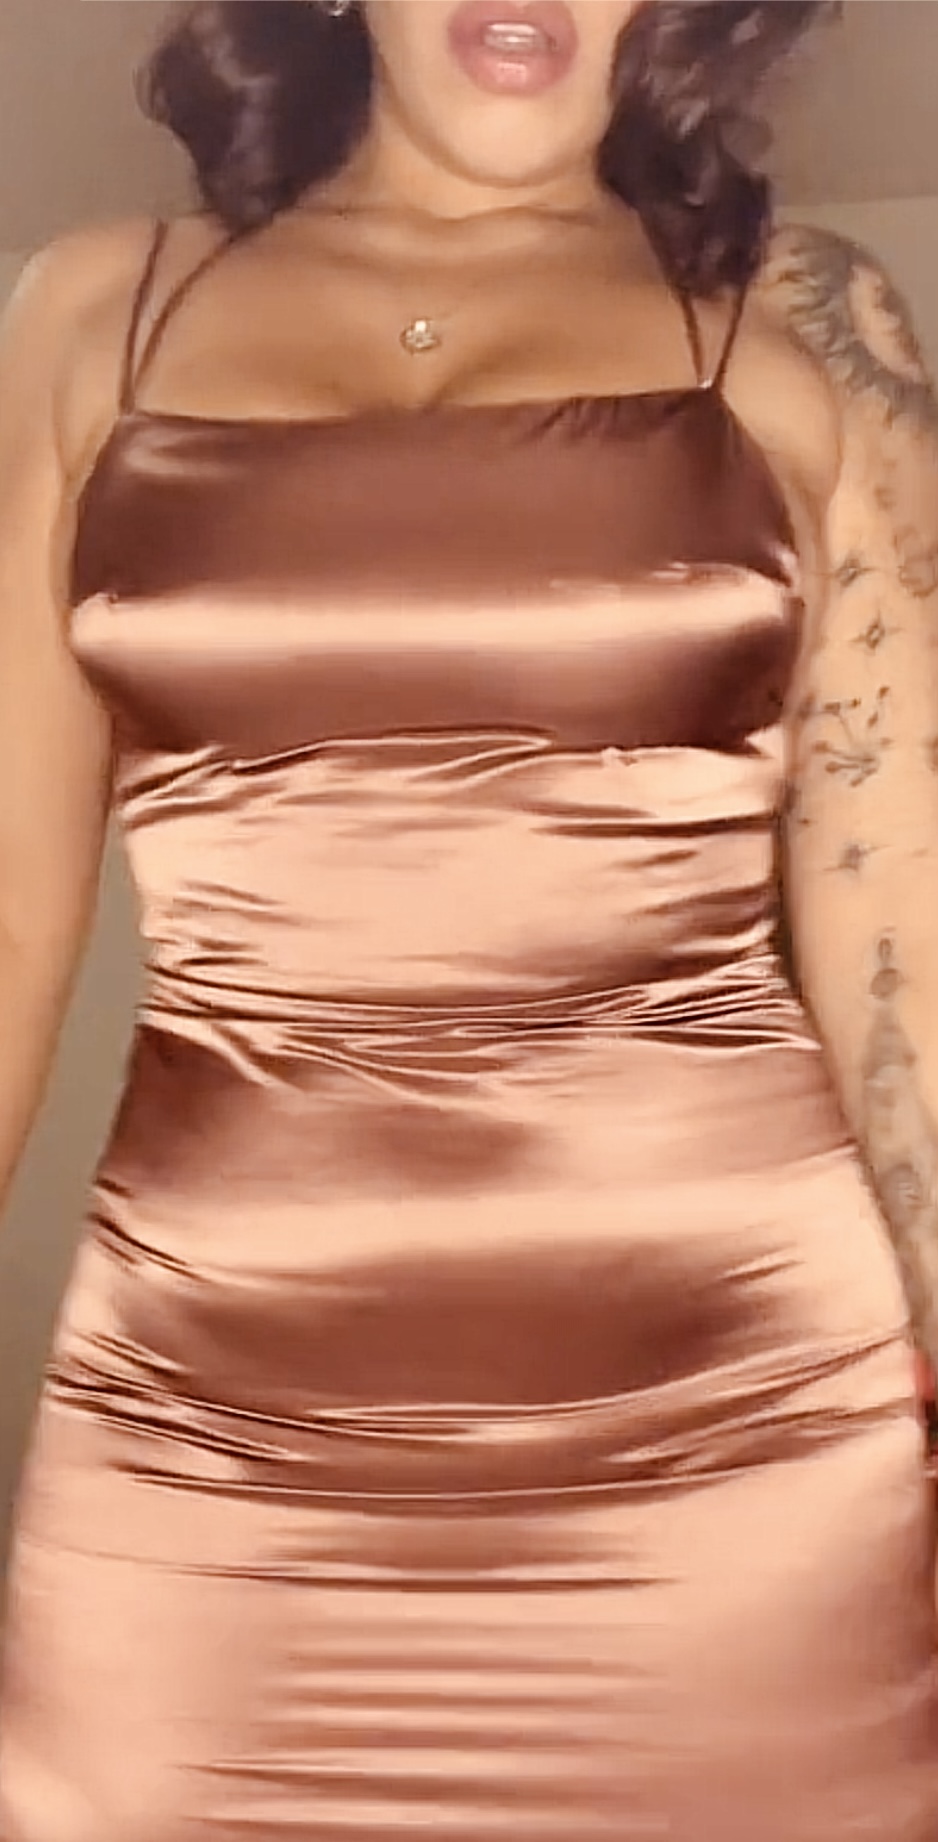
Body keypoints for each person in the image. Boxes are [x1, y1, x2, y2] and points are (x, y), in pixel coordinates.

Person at [0, 0, 937, 1834]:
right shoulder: (99, 311)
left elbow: (899, 912)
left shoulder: (804, 319)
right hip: (197, 1466)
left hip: (736, 1460)